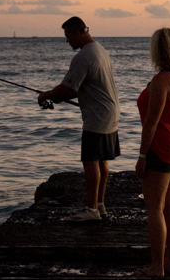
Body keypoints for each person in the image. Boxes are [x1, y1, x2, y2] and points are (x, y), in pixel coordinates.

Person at [37, 16, 120, 221]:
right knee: (102, 161)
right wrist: (59, 95)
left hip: (97, 116)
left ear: (76, 33)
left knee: (90, 161)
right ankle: (99, 205)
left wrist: (46, 95)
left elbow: (67, 89)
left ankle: (91, 210)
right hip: (110, 112)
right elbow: (78, 89)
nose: (67, 41)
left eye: (68, 36)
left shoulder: (83, 57)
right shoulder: (100, 50)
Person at [134, 28, 170, 277]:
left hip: (161, 147)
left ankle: (157, 266)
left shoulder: (161, 81)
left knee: (154, 208)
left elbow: (151, 123)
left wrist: (142, 156)